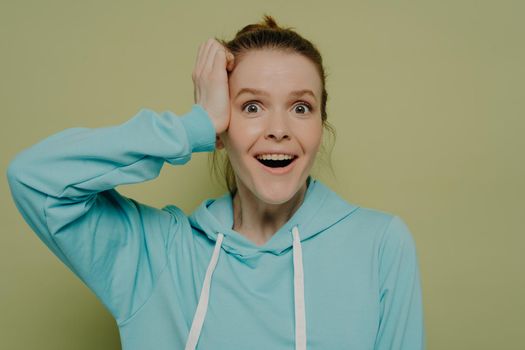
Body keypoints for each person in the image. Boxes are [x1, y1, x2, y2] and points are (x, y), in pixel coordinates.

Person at [6, 15, 424, 350]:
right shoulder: (156, 256)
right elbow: (36, 178)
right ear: (222, 131)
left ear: (320, 126)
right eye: (252, 106)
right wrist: (194, 126)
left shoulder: (380, 244)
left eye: (300, 107)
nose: (279, 128)